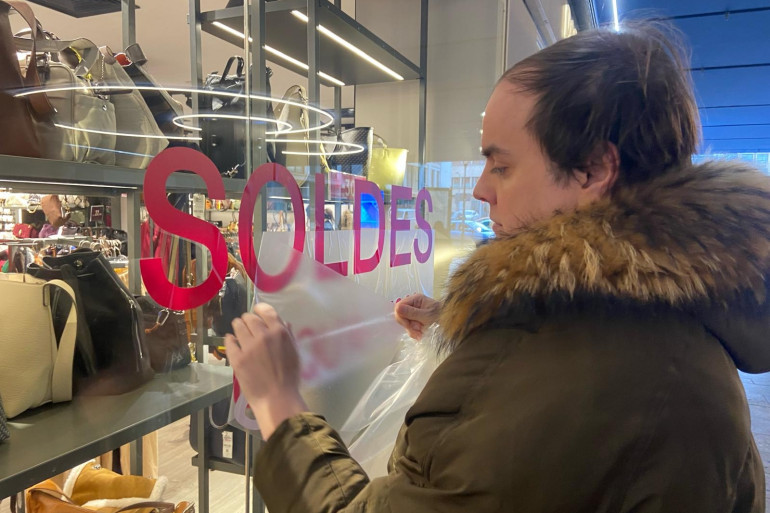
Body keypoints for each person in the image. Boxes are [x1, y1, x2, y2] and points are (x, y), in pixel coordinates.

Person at [224, 23, 769, 512]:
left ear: (592, 169)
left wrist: (279, 404)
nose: (481, 189)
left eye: (502, 166)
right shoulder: (661, 320)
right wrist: (464, 323)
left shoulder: (578, 372)